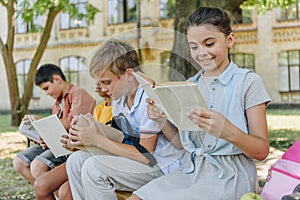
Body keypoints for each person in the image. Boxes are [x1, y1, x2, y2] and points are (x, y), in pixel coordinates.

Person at [129, 6, 271, 200]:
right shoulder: (190, 85)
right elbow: (182, 144)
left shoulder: (248, 82)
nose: (201, 53)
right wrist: (162, 120)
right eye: (194, 46)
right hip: (190, 171)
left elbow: (261, 151)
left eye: (209, 43)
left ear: (229, 40)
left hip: (230, 175)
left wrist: (226, 130)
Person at [66, 39, 184, 200]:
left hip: (162, 167)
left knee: (94, 168)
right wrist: (88, 133)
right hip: (140, 162)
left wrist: (97, 140)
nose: (103, 89)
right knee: (75, 161)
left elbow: (145, 156)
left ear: (128, 74)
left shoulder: (148, 99)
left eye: (107, 82)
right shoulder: (119, 99)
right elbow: (125, 139)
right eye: (100, 83)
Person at [13, 63, 95, 185]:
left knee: (37, 166)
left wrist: (40, 120)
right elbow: (55, 128)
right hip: (55, 144)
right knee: (19, 162)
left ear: (57, 79)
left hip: (71, 145)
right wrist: (41, 134)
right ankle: (45, 194)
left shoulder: (79, 94)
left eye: (46, 88)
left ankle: (51, 194)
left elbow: (74, 124)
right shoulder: (56, 104)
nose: (46, 93)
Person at [34, 84, 112, 200]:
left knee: (65, 192)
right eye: (97, 81)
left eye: (105, 81)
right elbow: (88, 140)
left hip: (98, 157)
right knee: (40, 185)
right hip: (81, 152)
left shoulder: (118, 110)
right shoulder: (98, 109)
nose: (97, 85)